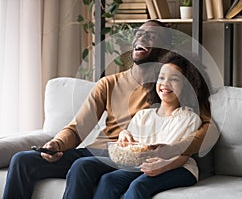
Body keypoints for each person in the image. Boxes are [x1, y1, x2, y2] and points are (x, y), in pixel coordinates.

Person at [3, 20, 210, 199]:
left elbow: (205, 126)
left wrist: (174, 148)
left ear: (165, 48)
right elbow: (77, 128)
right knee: (22, 160)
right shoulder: (109, 84)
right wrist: (57, 144)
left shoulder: (169, 88)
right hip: (97, 150)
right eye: (139, 34)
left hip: (125, 158)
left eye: (152, 36)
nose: (142, 38)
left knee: (84, 167)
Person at [94, 51, 211, 199]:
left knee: (139, 186)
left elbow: (183, 155)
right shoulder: (144, 115)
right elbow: (134, 150)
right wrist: (124, 136)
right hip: (144, 165)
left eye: (174, 79)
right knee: (108, 180)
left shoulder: (189, 118)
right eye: (161, 78)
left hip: (179, 168)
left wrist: (164, 166)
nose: (165, 83)